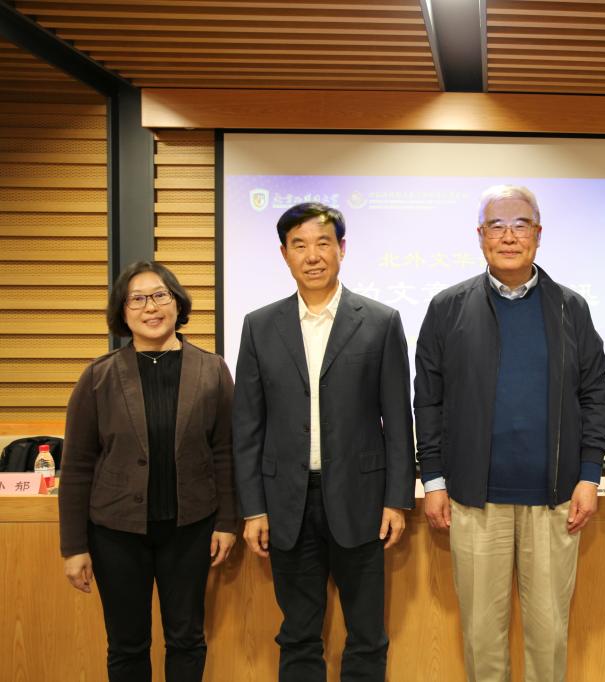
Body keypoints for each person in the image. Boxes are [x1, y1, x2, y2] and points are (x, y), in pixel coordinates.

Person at [414, 184, 605, 682]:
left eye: (520, 224)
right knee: (482, 637)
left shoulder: (571, 307)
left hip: (555, 499)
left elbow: (594, 394)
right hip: (474, 500)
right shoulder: (447, 307)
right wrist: (433, 480)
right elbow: (428, 400)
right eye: (496, 226)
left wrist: (590, 475)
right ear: (480, 235)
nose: (508, 236)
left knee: (549, 636)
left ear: (538, 234)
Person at [232, 202, 414, 681]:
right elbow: (247, 426)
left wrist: (396, 500)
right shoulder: (259, 325)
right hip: (286, 503)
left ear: (341, 249)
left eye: (323, 243)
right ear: (284, 254)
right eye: (299, 245)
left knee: (367, 635)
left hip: (361, 500)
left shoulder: (380, 321)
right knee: (297, 636)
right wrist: (253, 509)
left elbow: (398, 419)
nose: (312, 256)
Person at [59, 261, 237, 682]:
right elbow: (78, 464)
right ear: (123, 313)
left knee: (187, 639)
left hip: (191, 528)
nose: (150, 307)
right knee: (126, 645)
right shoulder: (98, 376)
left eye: (160, 295)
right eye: (136, 299)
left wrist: (227, 522)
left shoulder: (212, 370)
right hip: (115, 532)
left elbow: (226, 452)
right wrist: (73, 547)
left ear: (177, 303)